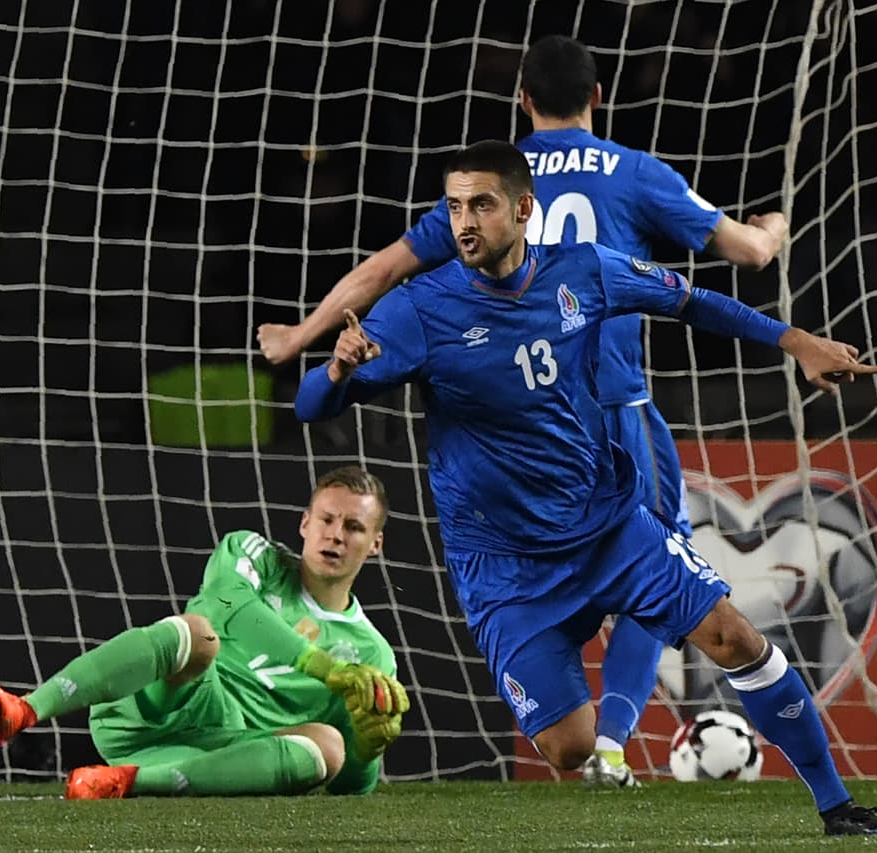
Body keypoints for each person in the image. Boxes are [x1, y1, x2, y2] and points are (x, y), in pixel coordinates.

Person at [294, 141, 877, 837]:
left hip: (610, 528)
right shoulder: (420, 311)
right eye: (455, 206)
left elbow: (693, 300)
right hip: (506, 567)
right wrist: (338, 370)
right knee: (569, 746)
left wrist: (793, 339)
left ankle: (838, 806)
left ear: (524, 209)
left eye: (482, 205)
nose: (465, 221)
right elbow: (311, 406)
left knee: (735, 637)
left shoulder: (581, 271)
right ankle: (592, 683)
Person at [260, 34, 788, 787]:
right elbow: (745, 256)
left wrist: (303, 337)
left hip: (518, 411)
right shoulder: (635, 173)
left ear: (523, 101)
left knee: (594, 565)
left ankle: (595, 736)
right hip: (617, 408)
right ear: (597, 97)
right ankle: (607, 737)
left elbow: (381, 270)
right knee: (664, 565)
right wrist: (771, 229)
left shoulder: (490, 185)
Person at [0, 466, 410, 799]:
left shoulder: (372, 653)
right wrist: (322, 666)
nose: (335, 536)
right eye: (327, 520)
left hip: (222, 755)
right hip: (154, 710)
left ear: (375, 543)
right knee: (199, 635)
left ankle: (129, 783)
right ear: (304, 523)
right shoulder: (253, 555)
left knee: (329, 746)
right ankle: (23, 710)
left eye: (353, 527)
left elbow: (349, 788)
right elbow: (232, 607)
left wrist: (367, 750)